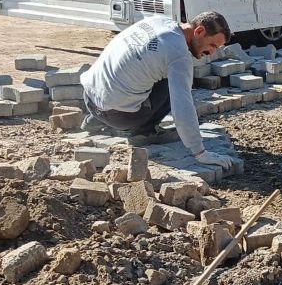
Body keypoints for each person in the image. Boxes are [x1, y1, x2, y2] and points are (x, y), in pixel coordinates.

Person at [80, 11, 233, 168]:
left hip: (89, 99)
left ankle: (95, 119)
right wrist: (200, 153)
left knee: (146, 72)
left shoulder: (158, 21)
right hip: (120, 117)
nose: (211, 53)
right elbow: (182, 108)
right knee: (176, 84)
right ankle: (143, 132)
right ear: (199, 31)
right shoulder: (179, 55)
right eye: (213, 45)